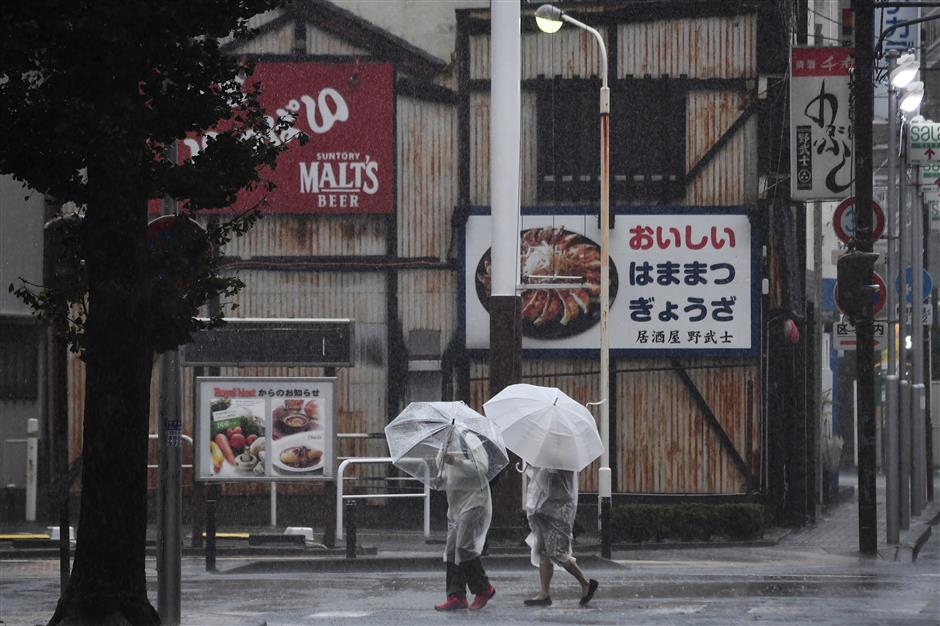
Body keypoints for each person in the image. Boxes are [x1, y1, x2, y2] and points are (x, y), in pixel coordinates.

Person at [432, 431, 496, 611]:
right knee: (452, 550)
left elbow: (482, 467)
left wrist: (456, 462)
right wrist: (440, 475)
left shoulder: (468, 439)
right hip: (455, 504)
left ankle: (484, 589)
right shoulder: (444, 444)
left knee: (463, 546)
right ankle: (456, 595)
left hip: (475, 500)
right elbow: (443, 471)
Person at [523, 464, 598, 607]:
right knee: (543, 550)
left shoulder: (563, 459)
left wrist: (547, 470)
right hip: (543, 508)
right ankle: (544, 594)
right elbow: (541, 479)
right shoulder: (549, 456)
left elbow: (560, 487)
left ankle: (585, 582)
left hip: (558, 510)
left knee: (557, 552)